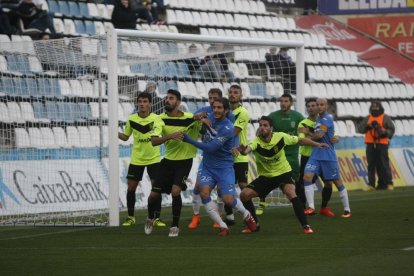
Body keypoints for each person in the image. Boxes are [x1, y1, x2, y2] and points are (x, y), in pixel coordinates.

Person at [238, 116, 328, 234]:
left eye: (265, 125)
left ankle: (306, 226)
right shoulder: (256, 142)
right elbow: (247, 150)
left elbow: (300, 140)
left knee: (291, 193)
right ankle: (255, 224)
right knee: (244, 195)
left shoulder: (280, 136)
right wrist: (243, 150)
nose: (262, 128)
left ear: (271, 128)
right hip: (266, 177)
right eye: (260, 125)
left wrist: (316, 144)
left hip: (283, 173)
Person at [183, 98, 257, 236]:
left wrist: (188, 140)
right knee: (203, 192)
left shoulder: (228, 127)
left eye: (219, 108)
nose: (216, 110)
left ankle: (247, 215)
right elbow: (194, 124)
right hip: (208, 166)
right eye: (214, 107)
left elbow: (211, 148)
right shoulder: (208, 117)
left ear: (226, 110)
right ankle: (223, 226)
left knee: (227, 199)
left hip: (224, 168)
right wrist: (200, 121)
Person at [145, 89, 201, 237]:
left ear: (178, 102)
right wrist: (170, 136)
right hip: (167, 162)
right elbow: (154, 141)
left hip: (184, 162)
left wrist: (204, 121)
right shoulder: (159, 119)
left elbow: (203, 127)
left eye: (171, 98)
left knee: (176, 191)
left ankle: (175, 226)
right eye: (166, 98)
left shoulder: (190, 118)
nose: (167, 100)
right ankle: (150, 217)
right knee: (153, 195)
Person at [188, 88, 235, 229]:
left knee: (222, 190)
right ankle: (196, 216)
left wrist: (235, 146)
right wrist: (201, 118)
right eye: (210, 98)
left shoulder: (228, 116)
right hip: (208, 157)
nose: (212, 100)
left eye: (215, 98)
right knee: (198, 186)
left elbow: (232, 132)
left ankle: (219, 216)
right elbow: (192, 117)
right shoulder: (205, 110)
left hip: (222, 156)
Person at [118, 92, 165, 227]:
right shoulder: (132, 119)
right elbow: (126, 137)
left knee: (156, 188)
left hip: (154, 159)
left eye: (145, 101)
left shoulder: (156, 119)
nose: (142, 104)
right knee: (131, 188)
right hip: (137, 159)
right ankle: (130, 217)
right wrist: (114, 133)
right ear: (137, 103)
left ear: (150, 104)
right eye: (140, 101)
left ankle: (156, 218)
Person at [303, 98, 351, 218]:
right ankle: (311, 207)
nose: (319, 107)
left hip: (328, 156)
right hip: (316, 154)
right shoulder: (319, 119)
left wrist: (307, 134)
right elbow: (325, 134)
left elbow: (319, 135)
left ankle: (347, 210)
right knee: (307, 176)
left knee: (336, 182)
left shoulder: (327, 118)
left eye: (322, 104)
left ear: (326, 106)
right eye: (317, 104)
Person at [257, 93, 304, 215]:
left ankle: (302, 204)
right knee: (266, 177)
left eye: (286, 101)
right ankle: (262, 202)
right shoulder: (273, 116)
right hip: (275, 153)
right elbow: (262, 127)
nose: (283, 103)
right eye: (281, 101)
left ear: (291, 103)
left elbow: (305, 129)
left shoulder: (297, 116)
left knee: (297, 178)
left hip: (292, 153)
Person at [297, 98, 339, 215]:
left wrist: (337, 138)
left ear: (319, 107)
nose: (311, 108)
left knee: (328, 183)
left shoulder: (324, 120)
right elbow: (301, 141)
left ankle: (324, 207)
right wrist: (309, 137)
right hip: (308, 157)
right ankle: (305, 208)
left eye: (313, 105)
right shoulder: (303, 123)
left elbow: (333, 135)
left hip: (323, 156)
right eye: (308, 106)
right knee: (304, 182)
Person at [222, 84, 250, 225]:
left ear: (241, 96)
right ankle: (230, 216)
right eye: (231, 92)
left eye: (236, 92)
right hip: (226, 156)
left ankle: (249, 215)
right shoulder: (225, 112)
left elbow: (234, 132)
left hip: (240, 154)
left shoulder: (243, 112)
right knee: (226, 186)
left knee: (243, 185)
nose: (232, 94)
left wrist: (217, 139)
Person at [357, 101, 395, 191]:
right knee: (371, 165)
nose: (375, 110)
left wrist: (384, 132)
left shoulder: (385, 118)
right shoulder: (367, 118)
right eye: (373, 108)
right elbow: (360, 129)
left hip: (382, 144)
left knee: (384, 164)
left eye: (376, 108)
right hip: (370, 144)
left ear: (380, 109)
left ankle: (389, 183)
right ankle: (371, 185)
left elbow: (391, 129)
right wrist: (367, 127)